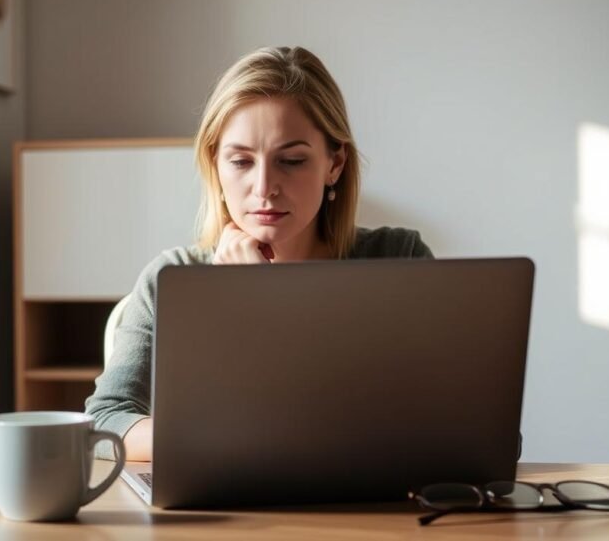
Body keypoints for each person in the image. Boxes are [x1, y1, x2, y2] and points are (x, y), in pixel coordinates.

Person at [85, 46, 433, 461]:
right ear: (216, 164)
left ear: (334, 163)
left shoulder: (398, 259)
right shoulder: (171, 278)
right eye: (240, 161)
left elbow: (461, 414)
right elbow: (106, 419)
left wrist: (268, 301)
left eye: (291, 160)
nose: (264, 186)